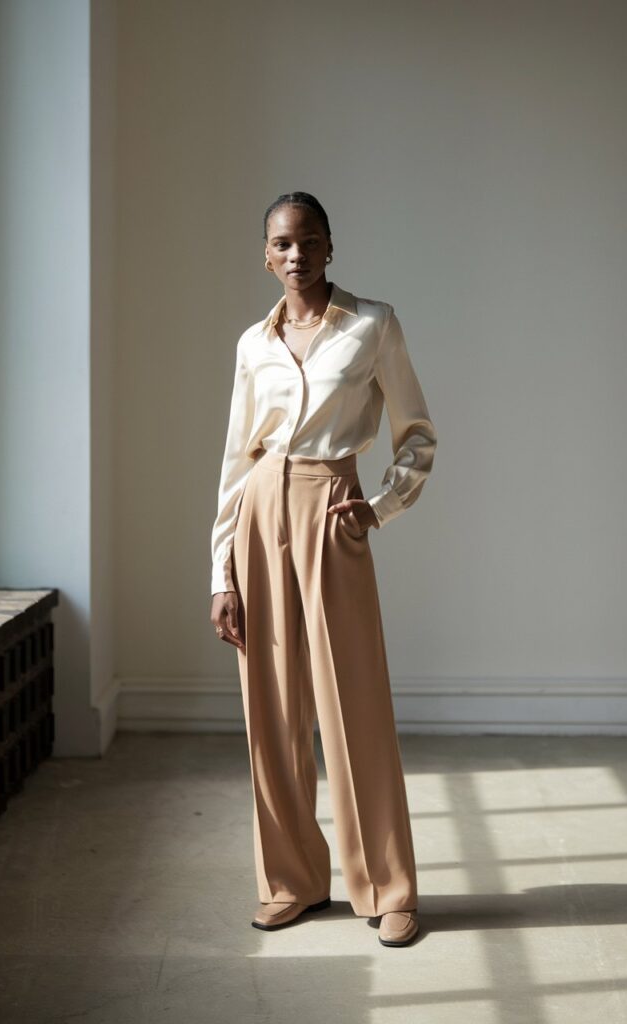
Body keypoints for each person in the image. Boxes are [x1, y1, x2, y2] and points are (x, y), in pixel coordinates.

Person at [210, 191, 437, 947]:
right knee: (270, 708)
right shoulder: (253, 344)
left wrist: (381, 504)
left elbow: (417, 433)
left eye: (309, 240)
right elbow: (236, 461)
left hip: (332, 506)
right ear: (266, 255)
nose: (296, 254)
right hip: (259, 512)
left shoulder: (373, 325)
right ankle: (291, 881)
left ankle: (389, 887)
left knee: (354, 703)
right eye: (282, 243)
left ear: (331, 247)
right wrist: (222, 572)